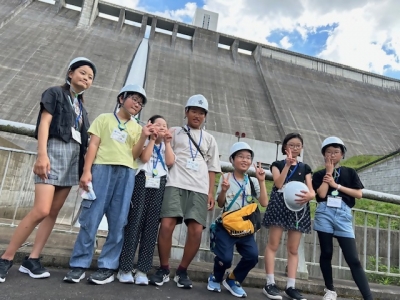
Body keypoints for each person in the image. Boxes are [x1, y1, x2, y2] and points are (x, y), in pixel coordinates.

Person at [0, 57, 96, 283]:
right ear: (70, 73)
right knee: (41, 210)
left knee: (52, 213)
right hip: (53, 153)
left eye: (90, 77)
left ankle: (32, 259)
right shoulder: (54, 93)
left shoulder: (81, 107)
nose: (86, 78)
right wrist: (41, 155)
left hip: (72, 159)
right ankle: (6, 257)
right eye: (82, 73)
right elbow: (44, 123)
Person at [63, 84, 155, 285]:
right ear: (121, 98)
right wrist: (87, 172)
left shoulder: (137, 127)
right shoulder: (104, 118)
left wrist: (144, 136)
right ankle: (79, 264)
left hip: (126, 173)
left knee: (119, 221)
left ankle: (107, 267)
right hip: (101, 169)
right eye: (134, 99)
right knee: (90, 217)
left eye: (140, 103)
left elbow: (134, 155)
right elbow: (93, 145)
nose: (137, 105)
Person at [149, 94, 221, 289]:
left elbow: (213, 168)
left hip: (199, 188)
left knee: (196, 231)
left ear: (205, 116)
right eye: (194, 111)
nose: (197, 115)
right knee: (166, 225)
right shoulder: (174, 132)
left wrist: (210, 192)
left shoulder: (209, 139)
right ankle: (164, 268)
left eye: (201, 113)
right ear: (186, 112)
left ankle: (182, 270)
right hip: (175, 183)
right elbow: (161, 150)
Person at [117, 115, 175, 285]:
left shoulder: (166, 147)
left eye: (165, 125)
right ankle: (125, 268)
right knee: (134, 223)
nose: (162, 128)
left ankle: (142, 270)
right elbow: (144, 158)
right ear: (150, 126)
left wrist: (167, 142)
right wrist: (152, 139)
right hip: (143, 179)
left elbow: (170, 162)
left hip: (160, 183)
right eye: (158, 125)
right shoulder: (143, 141)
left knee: (151, 227)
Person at [312, 137, 373, 300]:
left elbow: (359, 194)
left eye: (336, 152)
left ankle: (368, 297)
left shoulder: (350, 172)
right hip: (324, 212)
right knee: (326, 252)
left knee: (353, 258)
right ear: (323, 154)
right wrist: (328, 174)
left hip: (343, 214)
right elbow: (322, 194)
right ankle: (330, 290)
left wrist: (337, 185)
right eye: (328, 152)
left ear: (342, 154)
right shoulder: (318, 174)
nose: (332, 155)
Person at [207, 142, 268, 298]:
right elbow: (220, 203)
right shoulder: (226, 178)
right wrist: (224, 191)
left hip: (244, 228)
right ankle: (216, 277)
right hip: (226, 227)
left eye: (248, 157)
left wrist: (262, 181)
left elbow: (264, 203)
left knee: (252, 256)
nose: (244, 160)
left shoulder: (253, 182)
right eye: (240, 156)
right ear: (232, 159)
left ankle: (233, 280)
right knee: (225, 259)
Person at [262, 133, 315, 300]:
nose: (295, 148)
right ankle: (269, 283)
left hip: (298, 208)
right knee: (273, 244)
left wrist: (310, 196)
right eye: (291, 145)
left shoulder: (305, 168)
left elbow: (311, 190)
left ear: (302, 148)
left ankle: (291, 286)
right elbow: (278, 183)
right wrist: (287, 165)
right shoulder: (277, 164)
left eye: (298, 145)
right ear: (285, 147)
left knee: (293, 249)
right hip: (279, 204)